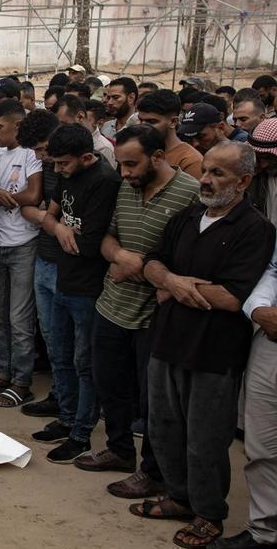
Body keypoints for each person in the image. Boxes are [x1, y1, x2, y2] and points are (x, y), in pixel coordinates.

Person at [130, 142, 273, 549]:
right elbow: (153, 263)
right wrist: (173, 281)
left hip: (214, 353)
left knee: (206, 439)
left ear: (243, 181)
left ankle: (208, 514)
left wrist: (169, 285)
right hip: (167, 341)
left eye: (218, 174)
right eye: (205, 170)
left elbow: (233, 296)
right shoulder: (188, 215)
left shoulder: (254, 228)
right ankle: (178, 497)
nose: (206, 180)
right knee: (163, 428)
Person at [75, 125, 200, 498]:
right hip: (112, 306)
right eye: (122, 164)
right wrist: (121, 256)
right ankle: (118, 449)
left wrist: (142, 268)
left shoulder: (189, 195)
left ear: (158, 157)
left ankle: (153, 471)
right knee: (111, 385)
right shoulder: (125, 188)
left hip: (155, 316)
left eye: (132, 164)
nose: (125, 172)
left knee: (153, 401)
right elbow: (108, 237)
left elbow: (190, 258)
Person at [34, 124, 121, 464]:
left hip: (88, 286)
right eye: (54, 164)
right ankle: (67, 416)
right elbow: (50, 217)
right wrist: (58, 228)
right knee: (60, 352)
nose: (58, 171)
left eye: (64, 164)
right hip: (63, 277)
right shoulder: (67, 172)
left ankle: (81, 432)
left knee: (84, 362)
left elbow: (87, 244)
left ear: (86, 157)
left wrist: (60, 228)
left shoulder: (104, 181)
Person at [0, 99, 43, 408]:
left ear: (17, 125)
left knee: (20, 318)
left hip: (23, 245)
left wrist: (2, 195)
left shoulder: (30, 154)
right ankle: (4, 372)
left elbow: (33, 194)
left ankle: (22, 381)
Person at [17, 108, 64, 420]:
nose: (42, 157)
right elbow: (31, 207)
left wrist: (44, 215)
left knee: (70, 341)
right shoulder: (47, 166)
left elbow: (51, 214)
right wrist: (45, 215)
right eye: (36, 151)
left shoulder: (76, 165)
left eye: (44, 149)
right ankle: (59, 395)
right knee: (50, 334)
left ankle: (73, 408)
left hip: (68, 264)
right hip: (44, 256)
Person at [233, 246, 277, 549]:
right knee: (261, 445)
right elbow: (273, 268)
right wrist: (258, 308)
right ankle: (264, 532)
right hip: (272, 336)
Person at [137, 89, 203, 178]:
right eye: (140, 120)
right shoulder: (139, 150)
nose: (143, 126)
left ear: (173, 122)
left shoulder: (190, 160)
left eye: (151, 122)